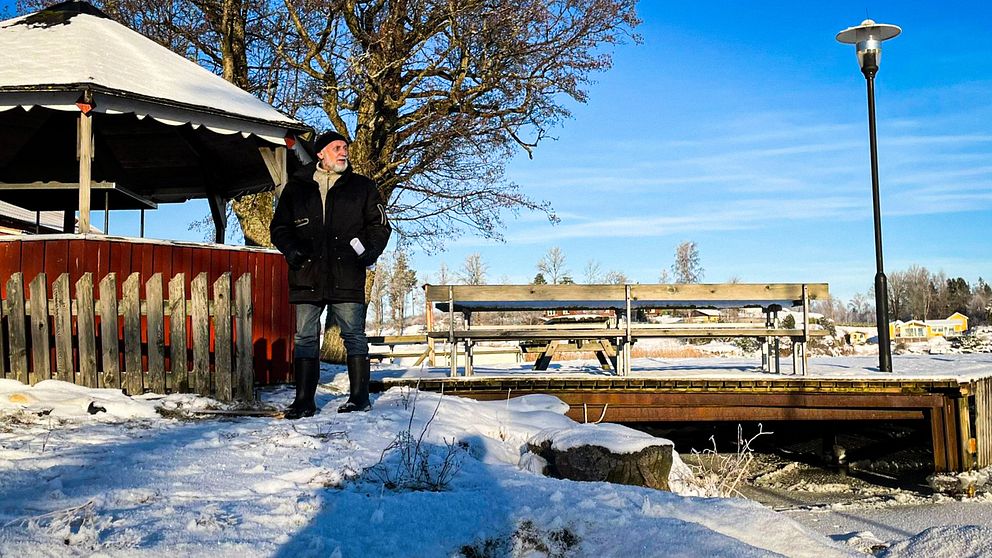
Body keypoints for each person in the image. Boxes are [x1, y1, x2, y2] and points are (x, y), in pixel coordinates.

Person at [270, 130, 391, 419]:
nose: (343, 151)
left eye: (345, 147)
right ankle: (303, 401)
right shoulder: (296, 188)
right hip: (306, 272)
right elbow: (279, 228)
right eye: (336, 147)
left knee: (354, 336)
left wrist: (368, 252)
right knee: (305, 337)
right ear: (321, 153)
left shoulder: (363, 188)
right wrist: (292, 250)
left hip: (346, 273)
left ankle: (359, 398)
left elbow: (381, 226)